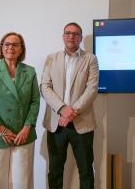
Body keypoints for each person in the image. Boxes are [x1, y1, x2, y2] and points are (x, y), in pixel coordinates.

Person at [0, 32, 40, 188]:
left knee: (22, 182)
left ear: (21, 49)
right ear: (2, 47)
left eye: (15, 44)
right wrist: (0, 128)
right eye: (6, 44)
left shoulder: (30, 71)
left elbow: (35, 101)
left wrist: (27, 127)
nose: (10, 47)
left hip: (23, 135)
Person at [40, 22, 99, 189]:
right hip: (56, 123)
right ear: (63, 36)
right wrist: (62, 109)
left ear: (80, 37)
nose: (71, 36)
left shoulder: (90, 59)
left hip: (82, 123)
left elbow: (92, 89)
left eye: (75, 33)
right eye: (68, 33)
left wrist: (72, 112)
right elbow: (45, 86)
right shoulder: (51, 58)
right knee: (55, 170)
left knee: (86, 170)